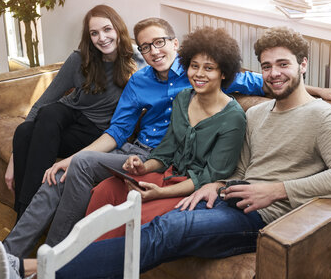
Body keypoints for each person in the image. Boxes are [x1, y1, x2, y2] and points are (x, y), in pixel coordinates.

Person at [0, 26, 331, 279]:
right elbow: (235, 168)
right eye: (268, 66)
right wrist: (215, 185)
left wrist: (277, 189)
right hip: (228, 197)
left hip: (263, 216)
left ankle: (26, 269)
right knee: (113, 202)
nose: (274, 74)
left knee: (167, 230)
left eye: (284, 65)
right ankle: (10, 266)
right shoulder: (257, 117)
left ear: (303, 65)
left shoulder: (321, 117)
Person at [86, 26, 247, 240]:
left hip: (190, 189)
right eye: (194, 66)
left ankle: (98, 263)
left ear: (223, 72)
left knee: (134, 217)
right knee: (106, 189)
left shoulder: (233, 118)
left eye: (209, 68)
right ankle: (78, 256)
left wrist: (159, 193)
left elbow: (208, 177)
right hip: (166, 175)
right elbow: (165, 152)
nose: (199, 74)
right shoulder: (183, 99)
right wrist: (142, 167)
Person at [6, 4, 138, 218]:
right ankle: (27, 212)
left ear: (118, 29)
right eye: (94, 33)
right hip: (66, 115)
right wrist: (13, 160)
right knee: (37, 120)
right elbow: (42, 103)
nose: (101, 38)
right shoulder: (79, 59)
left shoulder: (136, 63)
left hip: (93, 130)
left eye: (107, 29)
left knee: (27, 133)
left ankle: (23, 213)